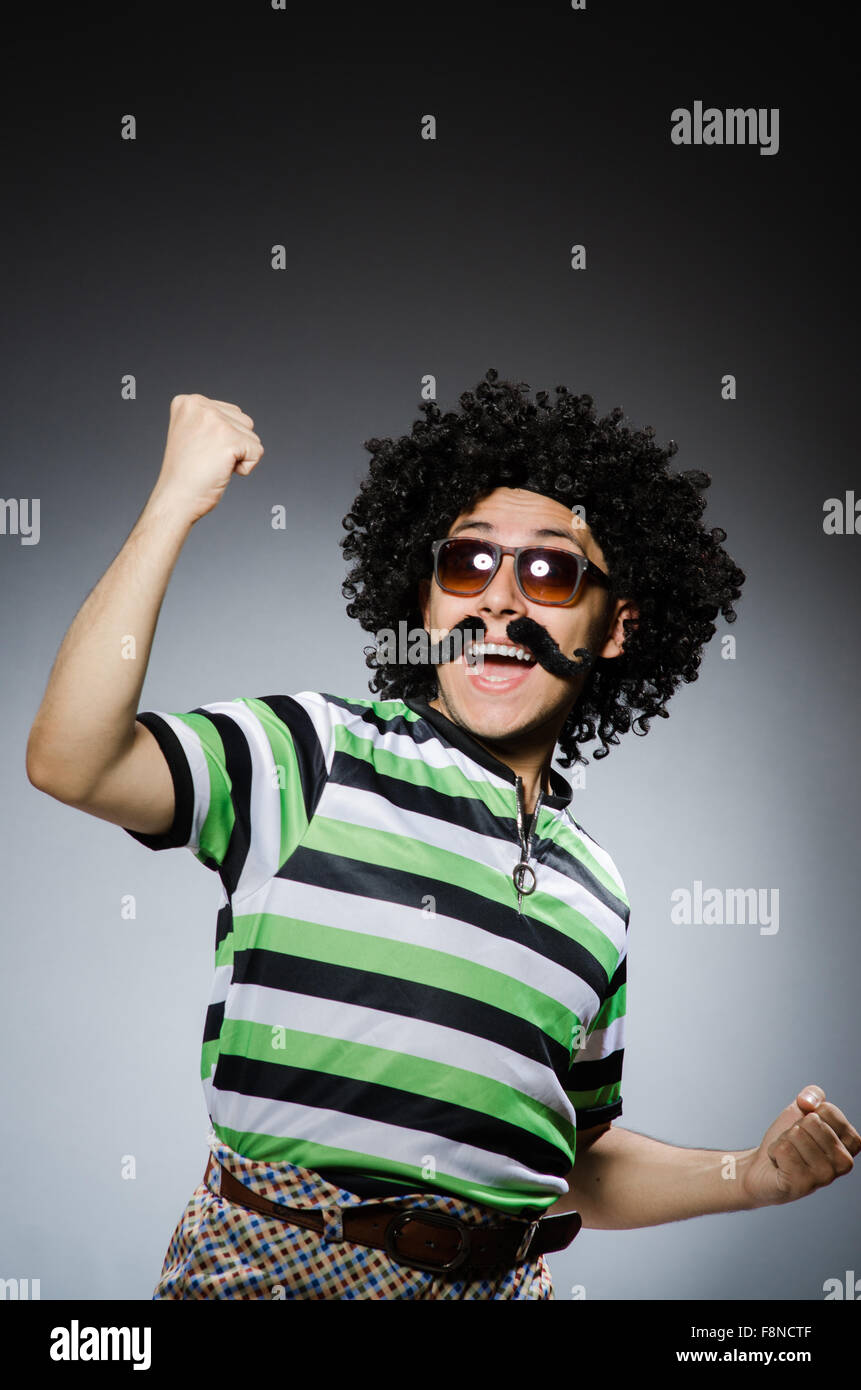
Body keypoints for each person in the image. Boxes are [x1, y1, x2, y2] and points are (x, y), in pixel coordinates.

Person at [26, 369, 859, 1300]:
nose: (499, 602)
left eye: (549, 571)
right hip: (275, 1275)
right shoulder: (315, 754)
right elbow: (74, 760)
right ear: (425, 607)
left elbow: (573, 1161)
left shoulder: (598, 894)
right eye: (466, 565)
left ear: (616, 626)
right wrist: (175, 502)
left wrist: (748, 1175)